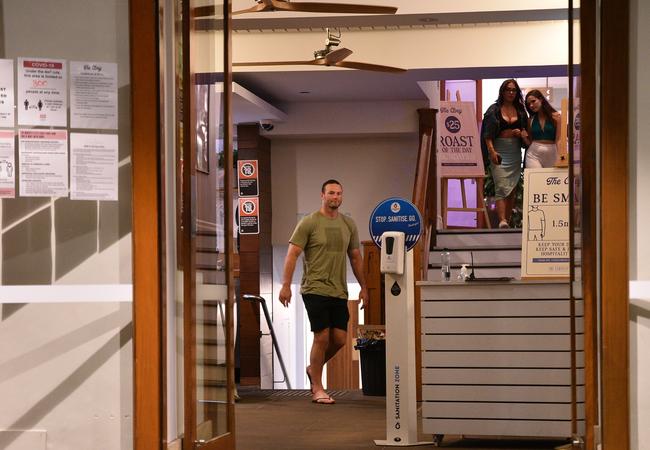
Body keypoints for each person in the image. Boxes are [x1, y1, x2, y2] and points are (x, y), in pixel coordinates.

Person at [279, 179, 368, 405]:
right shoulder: (309, 222)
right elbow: (292, 254)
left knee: (339, 340)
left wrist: (365, 288)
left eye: (338, 193)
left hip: (339, 290)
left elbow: (356, 257)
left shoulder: (349, 225)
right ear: (322, 195)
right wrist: (286, 285)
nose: (335, 197)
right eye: (331, 193)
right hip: (314, 288)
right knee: (322, 337)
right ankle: (318, 387)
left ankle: (313, 368)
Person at [481, 79, 528, 229]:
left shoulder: (520, 111)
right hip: (499, 150)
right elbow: (487, 134)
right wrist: (492, 151)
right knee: (501, 186)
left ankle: (506, 221)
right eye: (508, 89)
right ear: (502, 91)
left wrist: (520, 133)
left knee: (512, 188)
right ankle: (502, 220)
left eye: (514, 90)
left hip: (514, 151)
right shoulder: (494, 109)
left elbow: (526, 133)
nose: (511, 93)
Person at [523, 89, 561, 168]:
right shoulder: (531, 120)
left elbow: (559, 140)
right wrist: (524, 137)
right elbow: (530, 142)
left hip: (553, 154)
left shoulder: (556, 117)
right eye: (529, 104)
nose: (531, 105)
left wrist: (561, 156)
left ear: (541, 99)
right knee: (536, 179)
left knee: (551, 180)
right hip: (533, 155)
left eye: (533, 101)